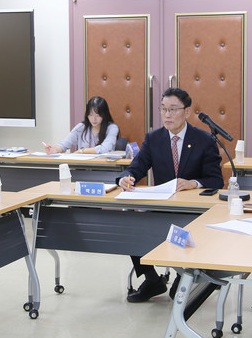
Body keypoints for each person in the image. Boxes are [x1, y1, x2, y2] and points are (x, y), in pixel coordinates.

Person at [117, 87, 223, 303]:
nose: (167, 115)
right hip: (162, 208)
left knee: (178, 295)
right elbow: (137, 167)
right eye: (163, 109)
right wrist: (125, 178)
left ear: (187, 112)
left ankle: (183, 275)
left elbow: (216, 180)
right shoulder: (154, 138)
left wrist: (194, 183)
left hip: (192, 212)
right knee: (132, 228)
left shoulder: (204, 139)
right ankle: (151, 279)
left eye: (173, 109)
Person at [43, 96, 119, 154]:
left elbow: (105, 149)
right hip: (82, 168)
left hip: (104, 168)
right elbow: (64, 144)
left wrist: (82, 150)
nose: (94, 119)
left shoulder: (112, 128)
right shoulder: (81, 127)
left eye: (98, 115)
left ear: (104, 115)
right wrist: (54, 149)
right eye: (90, 115)